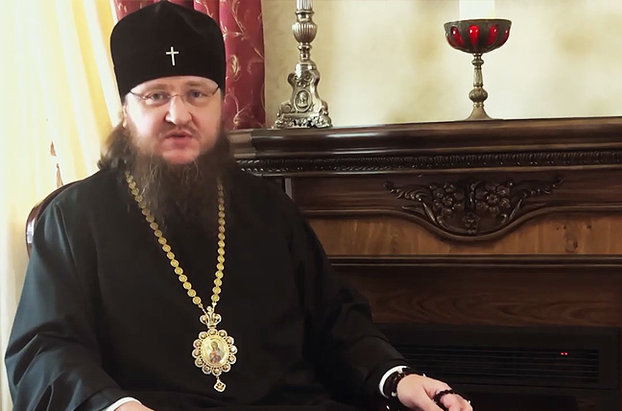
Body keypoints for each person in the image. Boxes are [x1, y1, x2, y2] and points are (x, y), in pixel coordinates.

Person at [4, 2, 473, 411]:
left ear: (220, 103)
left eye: (196, 93)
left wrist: (397, 378)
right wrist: (115, 405)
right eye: (155, 96)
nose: (178, 115)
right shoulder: (74, 218)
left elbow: (336, 321)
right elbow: (45, 349)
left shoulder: (270, 210)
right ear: (126, 110)